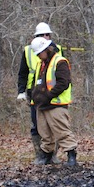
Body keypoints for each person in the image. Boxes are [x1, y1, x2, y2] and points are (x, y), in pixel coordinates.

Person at [17, 22, 64, 164]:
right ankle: (40, 155)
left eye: (48, 35)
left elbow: (64, 74)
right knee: (37, 126)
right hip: (35, 94)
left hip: (55, 95)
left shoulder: (58, 49)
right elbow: (23, 73)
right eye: (43, 35)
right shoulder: (27, 51)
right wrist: (21, 91)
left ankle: (53, 155)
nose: (46, 37)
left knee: (55, 126)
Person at [29, 36, 77, 166]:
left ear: (46, 49)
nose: (38, 56)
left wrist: (48, 96)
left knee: (62, 131)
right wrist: (35, 97)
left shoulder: (60, 62)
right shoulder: (41, 64)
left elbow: (63, 83)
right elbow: (38, 83)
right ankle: (47, 156)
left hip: (56, 104)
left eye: (39, 53)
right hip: (42, 105)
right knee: (45, 134)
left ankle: (71, 156)